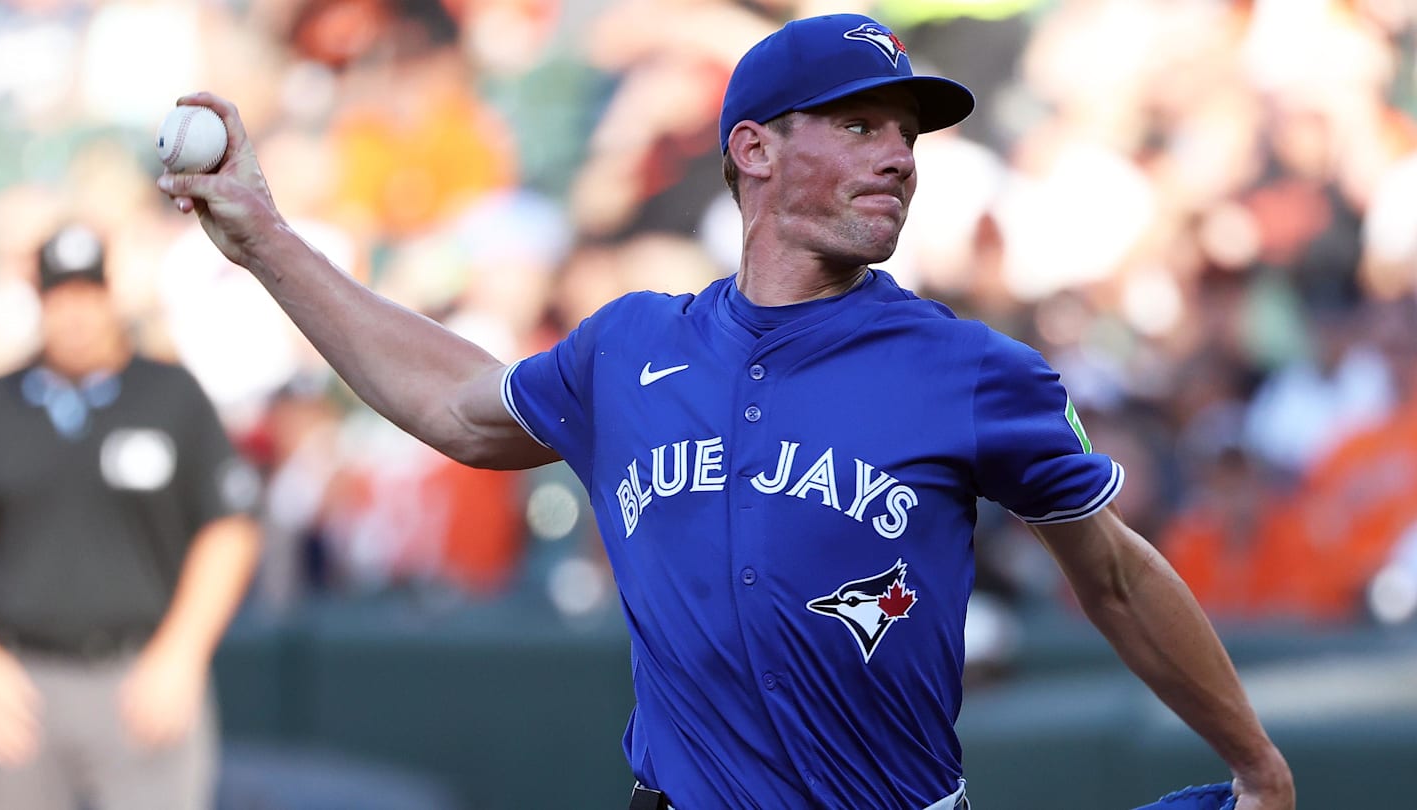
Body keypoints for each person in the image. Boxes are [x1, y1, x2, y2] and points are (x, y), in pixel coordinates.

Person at [157, 13, 1294, 810]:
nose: (900, 157)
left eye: (907, 135)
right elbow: (456, 405)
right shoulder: (630, 346)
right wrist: (265, 239)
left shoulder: (970, 369)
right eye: (860, 125)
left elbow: (1115, 574)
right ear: (753, 147)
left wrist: (1256, 766)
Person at [0, 224, 262, 810]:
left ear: (110, 297)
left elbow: (229, 526)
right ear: (39, 301)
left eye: (88, 295)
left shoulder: (170, 395)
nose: (75, 315)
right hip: (21, 683)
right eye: (60, 297)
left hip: (141, 676)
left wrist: (182, 652)